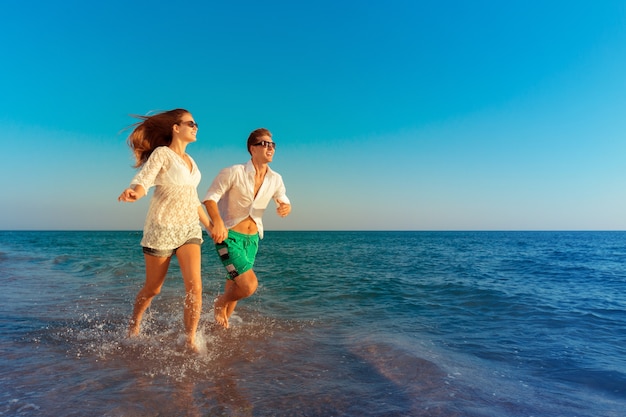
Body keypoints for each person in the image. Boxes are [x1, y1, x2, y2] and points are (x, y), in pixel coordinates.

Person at [118, 108, 211, 352]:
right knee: (153, 288)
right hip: (162, 228)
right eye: (191, 123)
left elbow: (193, 198)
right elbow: (145, 179)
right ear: (175, 127)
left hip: (189, 228)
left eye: (196, 123)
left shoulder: (192, 162)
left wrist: (210, 225)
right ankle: (134, 323)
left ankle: (190, 339)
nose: (195, 127)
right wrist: (134, 192)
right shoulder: (163, 154)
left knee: (195, 286)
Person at [203, 128, 291, 329]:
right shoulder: (233, 172)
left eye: (272, 144)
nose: (270, 148)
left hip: (252, 240)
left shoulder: (275, 178)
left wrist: (285, 206)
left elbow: (283, 197)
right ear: (253, 149)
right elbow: (210, 198)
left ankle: (220, 332)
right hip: (229, 237)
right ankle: (219, 302)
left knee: (235, 284)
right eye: (265, 144)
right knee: (248, 286)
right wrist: (216, 221)